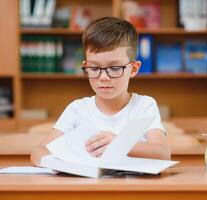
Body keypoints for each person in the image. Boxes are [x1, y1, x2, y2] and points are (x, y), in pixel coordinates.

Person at [31, 17, 171, 166]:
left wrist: (120, 143)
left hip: (132, 188)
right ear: (85, 66)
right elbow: (38, 152)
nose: (103, 77)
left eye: (115, 68)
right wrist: (63, 164)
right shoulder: (77, 110)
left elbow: (163, 154)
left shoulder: (144, 106)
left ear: (134, 69)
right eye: (94, 68)